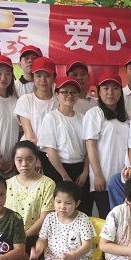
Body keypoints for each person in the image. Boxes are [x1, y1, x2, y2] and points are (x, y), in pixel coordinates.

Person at [39, 76, 91, 214]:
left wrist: (85, 172)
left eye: (73, 92)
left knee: (82, 210)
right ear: (57, 94)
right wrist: (64, 176)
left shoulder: (83, 118)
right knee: (59, 212)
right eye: (65, 92)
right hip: (58, 169)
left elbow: (89, 148)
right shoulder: (51, 118)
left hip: (80, 170)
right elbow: (50, 149)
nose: (69, 95)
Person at [83, 73, 130, 218]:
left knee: (124, 219)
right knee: (108, 220)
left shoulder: (126, 117)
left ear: (120, 92)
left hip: (123, 178)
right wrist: (97, 175)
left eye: (115, 88)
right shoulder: (94, 113)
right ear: (99, 91)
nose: (110, 92)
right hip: (104, 178)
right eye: (105, 88)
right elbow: (90, 146)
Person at [5, 140, 56, 252]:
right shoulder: (7, 184)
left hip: (35, 238)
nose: (24, 164)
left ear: (36, 160)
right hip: (8, 237)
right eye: (19, 160)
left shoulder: (47, 184)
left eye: (29, 159)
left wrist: (23, 236)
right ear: (14, 161)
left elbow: (45, 218)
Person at [15, 57, 57, 144]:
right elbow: (29, 136)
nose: (43, 80)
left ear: (54, 78)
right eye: (38, 76)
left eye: (48, 76)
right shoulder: (25, 100)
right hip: (32, 148)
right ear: (33, 77)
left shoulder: (59, 100)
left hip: (54, 149)